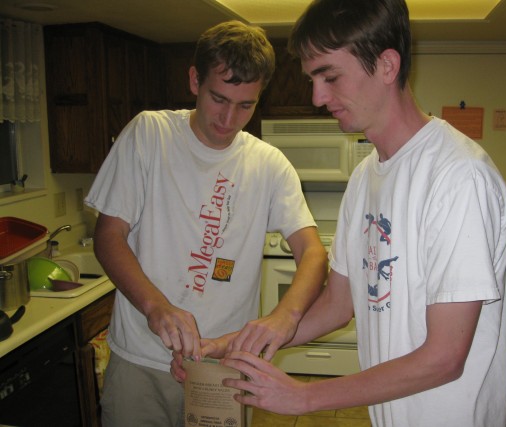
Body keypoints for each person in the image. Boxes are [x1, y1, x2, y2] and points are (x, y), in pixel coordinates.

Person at [171, 1, 506, 426]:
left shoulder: (458, 177)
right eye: (313, 79)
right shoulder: (366, 176)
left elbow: (444, 358)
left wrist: (305, 396)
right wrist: (236, 346)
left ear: (387, 65)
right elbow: (337, 303)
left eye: (330, 77)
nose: (317, 97)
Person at [85, 20, 327, 427]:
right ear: (195, 79)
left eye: (246, 105)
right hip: (140, 361)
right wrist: (155, 306)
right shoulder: (149, 135)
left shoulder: (269, 165)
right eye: (219, 98)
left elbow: (313, 252)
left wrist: (285, 316)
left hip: (223, 364)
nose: (229, 118)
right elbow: (109, 236)